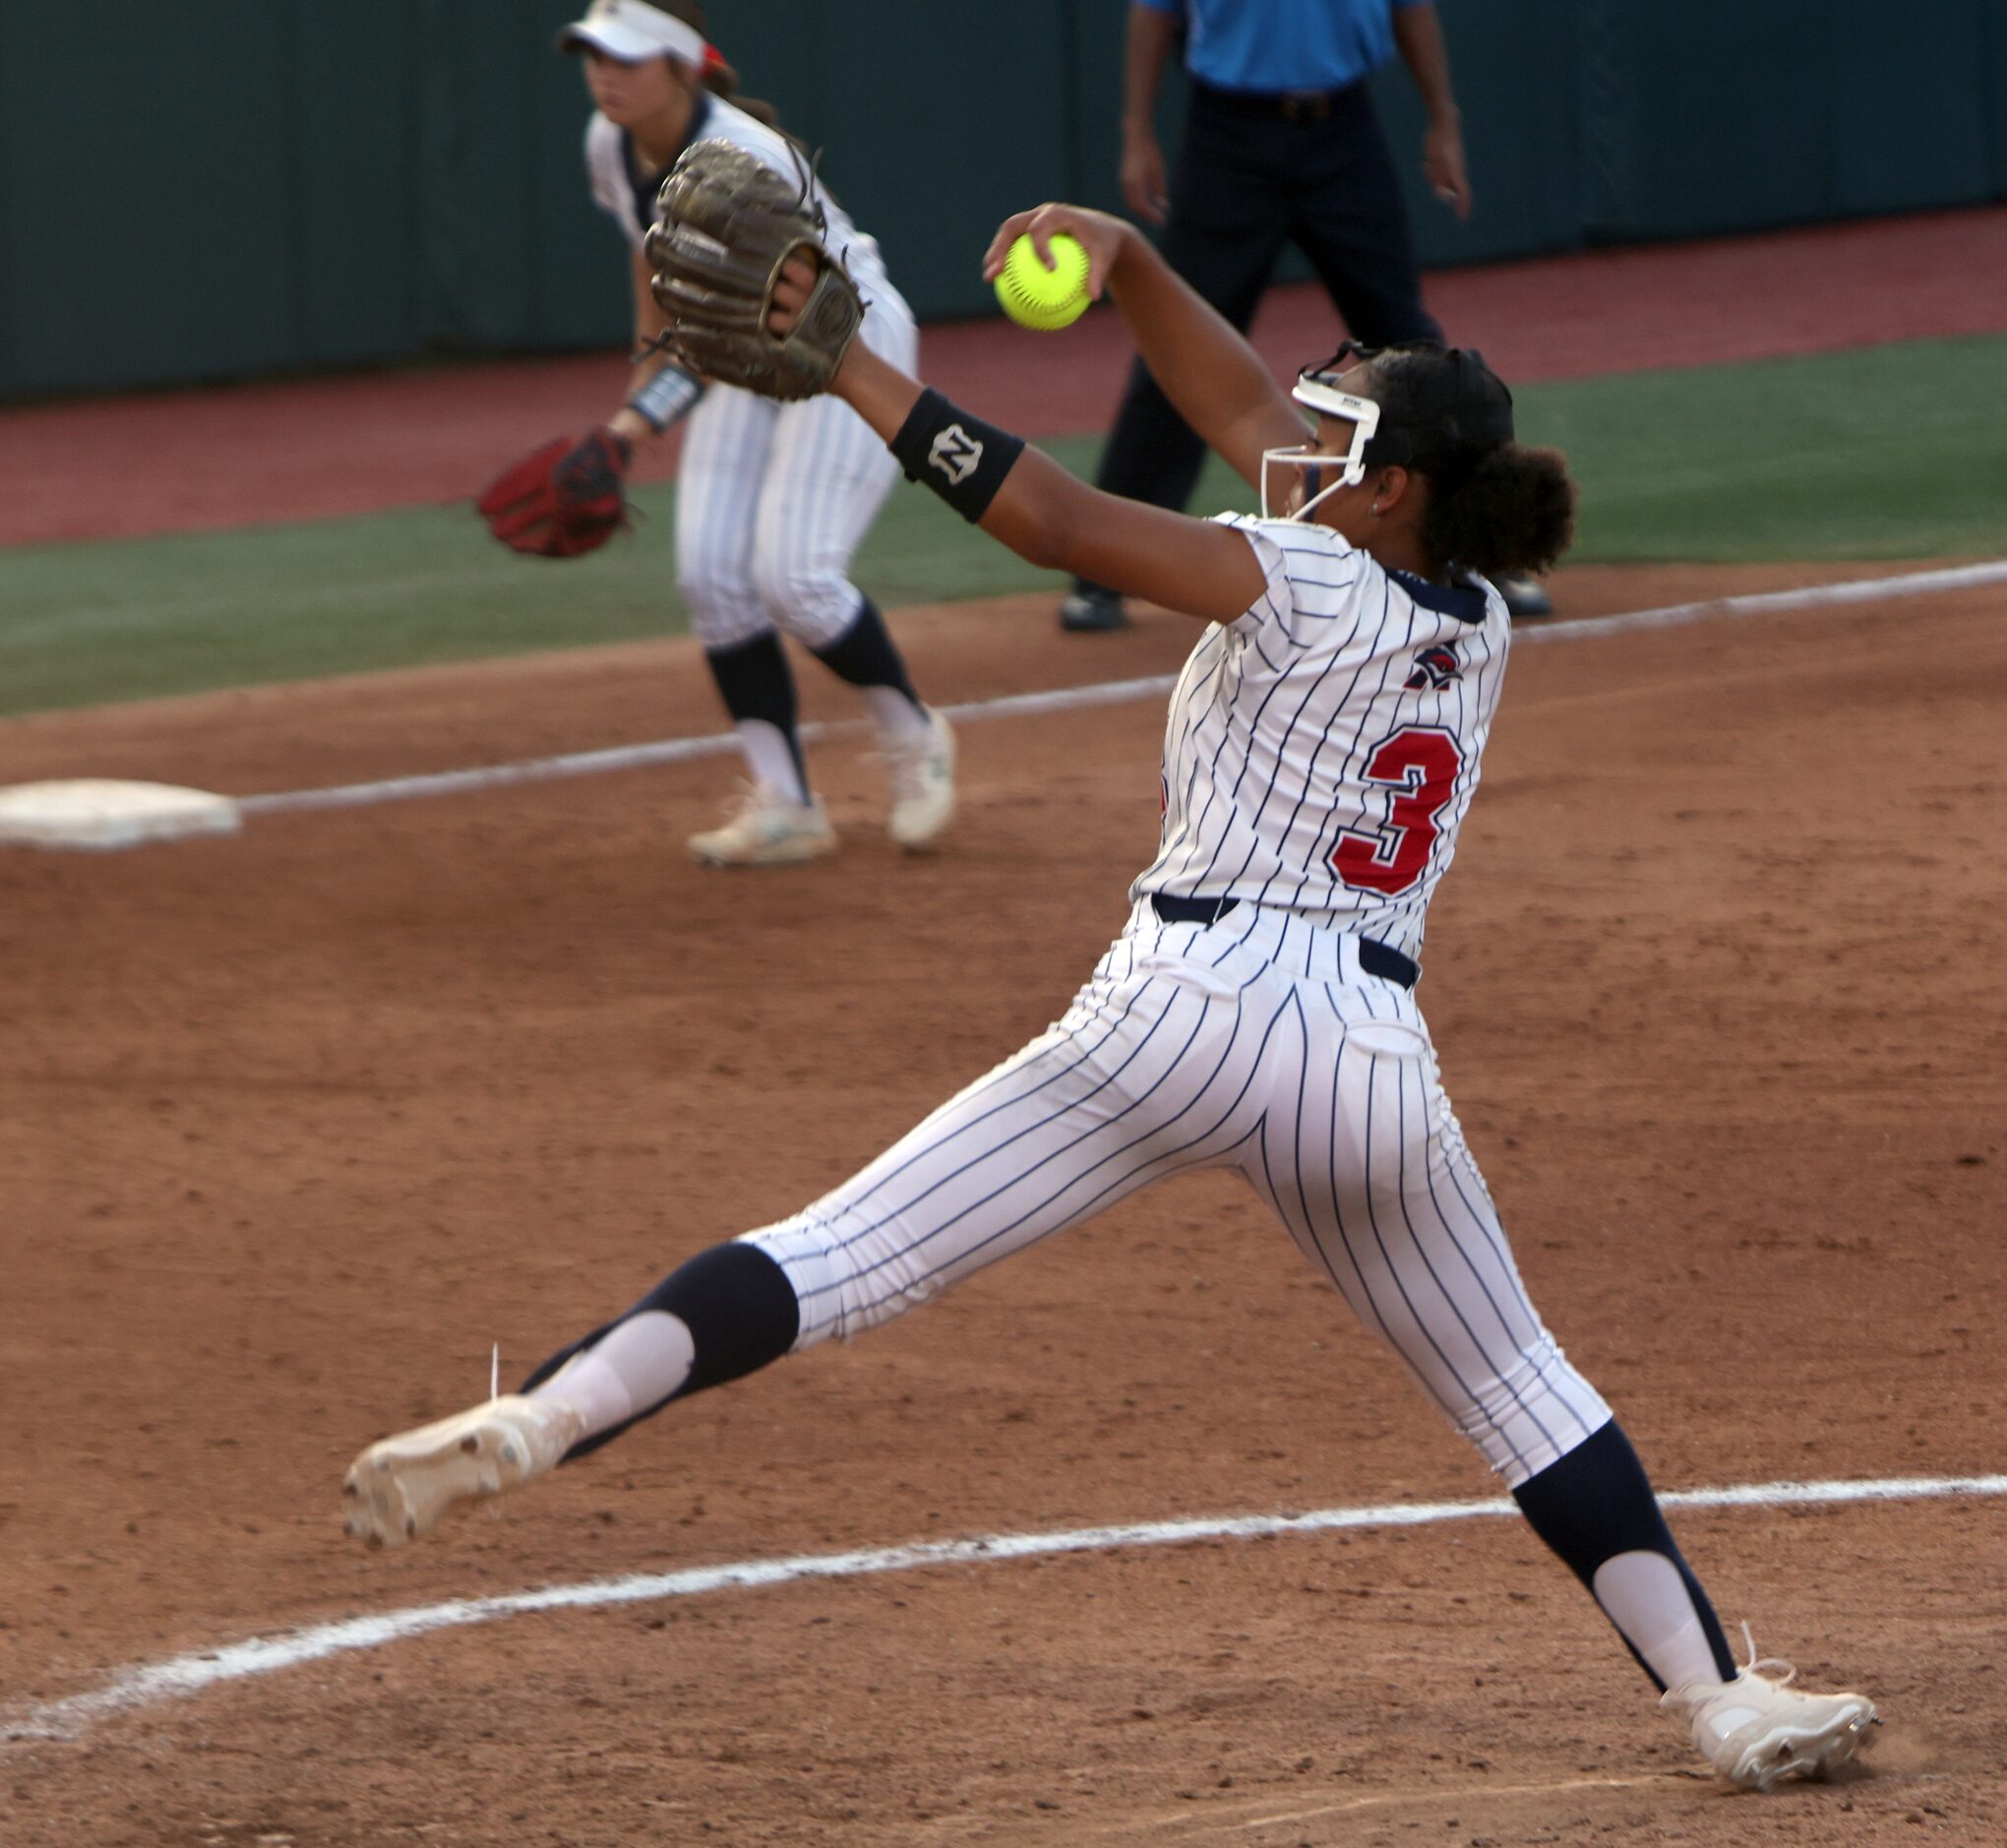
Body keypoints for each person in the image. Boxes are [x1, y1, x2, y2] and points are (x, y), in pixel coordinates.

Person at [344, 194, 1874, 1792]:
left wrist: (859, 368)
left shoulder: (1294, 575)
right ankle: (1721, 1699)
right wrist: (1137, 261)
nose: (1298, 446)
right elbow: (1238, 411)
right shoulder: (1474, 613)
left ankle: (545, 1418)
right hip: (1363, 1060)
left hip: (1182, 1013)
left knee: (845, 1250)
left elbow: (1062, 525)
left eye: (1338, 438)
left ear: (1393, 487)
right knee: (1516, 1383)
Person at [538, 0, 955, 864]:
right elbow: (664, 289)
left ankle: (913, 735)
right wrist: (633, 403)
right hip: (745, 351)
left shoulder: (746, 160)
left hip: (844, 341)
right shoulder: (608, 142)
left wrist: (626, 432)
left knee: (794, 576)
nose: (604, 74)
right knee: (710, 575)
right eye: (593, 55)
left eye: (627, 58)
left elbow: (775, 321)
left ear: (683, 67)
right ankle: (786, 803)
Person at [1060, 0, 1553, 633]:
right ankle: (1107, 568)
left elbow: (1411, 9)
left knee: (1412, 354)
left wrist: (1443, 118)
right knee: (1178, 342)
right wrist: (1137, 132)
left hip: (1342, 126)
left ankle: (1479, 544)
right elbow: (1154, 14)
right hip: (1227, 134)